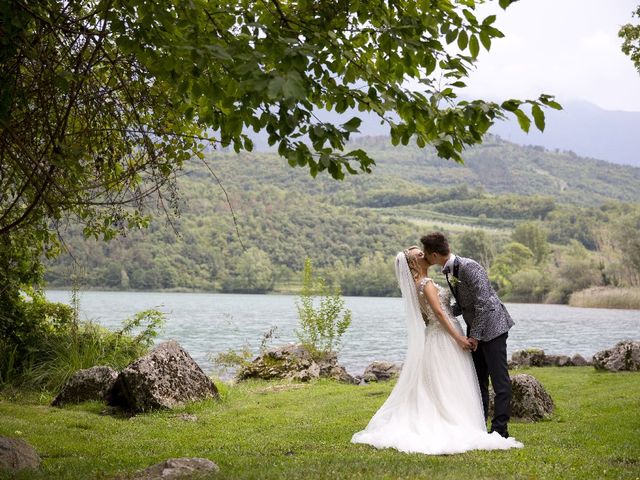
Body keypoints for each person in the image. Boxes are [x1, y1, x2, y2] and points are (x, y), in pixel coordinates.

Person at [351, 247, 522, 454]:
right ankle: (469, 425)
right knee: (453, 382)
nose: (424, 254)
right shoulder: (426, 284)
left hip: (443, 335)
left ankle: (480, 424)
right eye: (419, 254)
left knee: (452, 382)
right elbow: (440, 314)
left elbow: (436, 314)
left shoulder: (419, 285)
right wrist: (459, 337)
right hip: (446, 337)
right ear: (413, 263)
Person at [421, 232, 514, 438]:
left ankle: (500, 430)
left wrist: (476, 336)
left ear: (434, 255)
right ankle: (479, 426)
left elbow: (483, 303)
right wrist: (440, 316)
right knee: (478, 380)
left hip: (493, 328)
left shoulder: (469, 267)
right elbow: (464, 305)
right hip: (476, 331)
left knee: (500, 382)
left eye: (427, 255)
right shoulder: (450, 271)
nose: (426, 259)